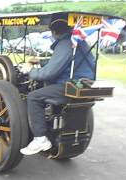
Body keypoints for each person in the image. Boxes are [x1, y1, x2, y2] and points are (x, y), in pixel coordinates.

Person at [19, 17, 95, 155]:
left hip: (68, 85)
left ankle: (40, 139)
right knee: (43, 91)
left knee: (33, 96)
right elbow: (68, 61)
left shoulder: (65, 43)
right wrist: (41, 62)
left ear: (54, 32)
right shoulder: (80, 42)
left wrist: (31, 71)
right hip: (84, 84)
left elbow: (48, 74)